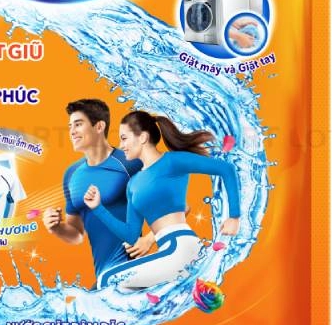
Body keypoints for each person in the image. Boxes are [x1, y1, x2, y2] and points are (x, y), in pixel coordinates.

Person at [83, 110, 240, 290]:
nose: (121, 145)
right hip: (168, 251)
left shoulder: (171, 162)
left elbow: (226, 169)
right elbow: (131, 235)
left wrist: (234, 216)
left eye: (124, 138)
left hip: (181, 247)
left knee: (107, 280)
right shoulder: (133, 184)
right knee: (122, 291)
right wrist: (98, 208)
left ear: (143, 137)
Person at [42, 99, 154, 285]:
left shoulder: (130, 163)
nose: (71, 131)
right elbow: (76, 234)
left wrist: (149, 239)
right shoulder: (71, 174)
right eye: (70, 126)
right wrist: (56, 227)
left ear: (99, 126)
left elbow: (177, 207)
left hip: (132, 273)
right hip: (104, 278)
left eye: (78, 124)